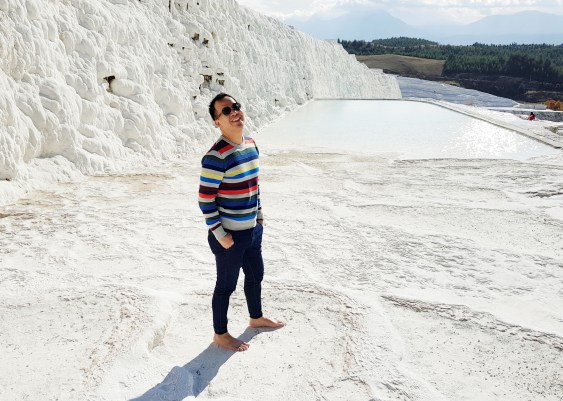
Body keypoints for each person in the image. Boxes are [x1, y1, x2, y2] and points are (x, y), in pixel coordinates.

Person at [198, 93, 284, 352]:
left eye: (236, 107)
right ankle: (220, 334)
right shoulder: (216, 156)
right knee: (225, 286)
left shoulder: (251, 144)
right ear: (217, 122)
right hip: (229, 237)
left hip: (252, 230)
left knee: (256, 275)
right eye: (226, 111)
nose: (234, 112)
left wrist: (259, 217)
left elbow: (254, 185)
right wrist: (220, 234)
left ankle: (256, 318)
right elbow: (205, 200)